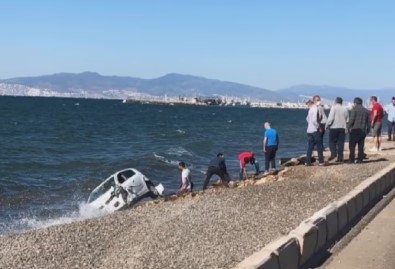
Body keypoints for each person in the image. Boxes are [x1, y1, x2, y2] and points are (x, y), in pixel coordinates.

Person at [325, 97, 349, 162]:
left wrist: (327, 126)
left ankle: (334, 153)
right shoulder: (345, 108)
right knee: (341, 143)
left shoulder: (334, 108)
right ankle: (340, 158)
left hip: (334, 127)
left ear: (336, 101)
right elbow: (347, 119)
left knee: (332, 142)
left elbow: (330, 118)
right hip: (342, 128)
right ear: (341, 102)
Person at [347, 97, 370, 164]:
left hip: (355, 129)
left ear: (355, 103)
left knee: (352, 146)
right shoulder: (366, 111)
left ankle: (352, 159)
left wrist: (347, 127)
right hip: (363, 130)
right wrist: (368, 130)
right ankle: (360, 159)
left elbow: (351, 120)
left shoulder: (354, 109)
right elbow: (368, 122)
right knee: (361, 146)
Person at [305, 95, 325, 166]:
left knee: (310, 146)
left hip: (309, 130)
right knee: (319, 146)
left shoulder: (310, 109)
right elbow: (314, 120)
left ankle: (307, 162)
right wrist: (318, 127)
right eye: (318, 100)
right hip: (314, 130)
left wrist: (310, 124)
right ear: (314, 101)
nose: (319, 101)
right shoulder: (315, 109)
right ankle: (321, 161)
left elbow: (307, 119)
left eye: (319, 100)